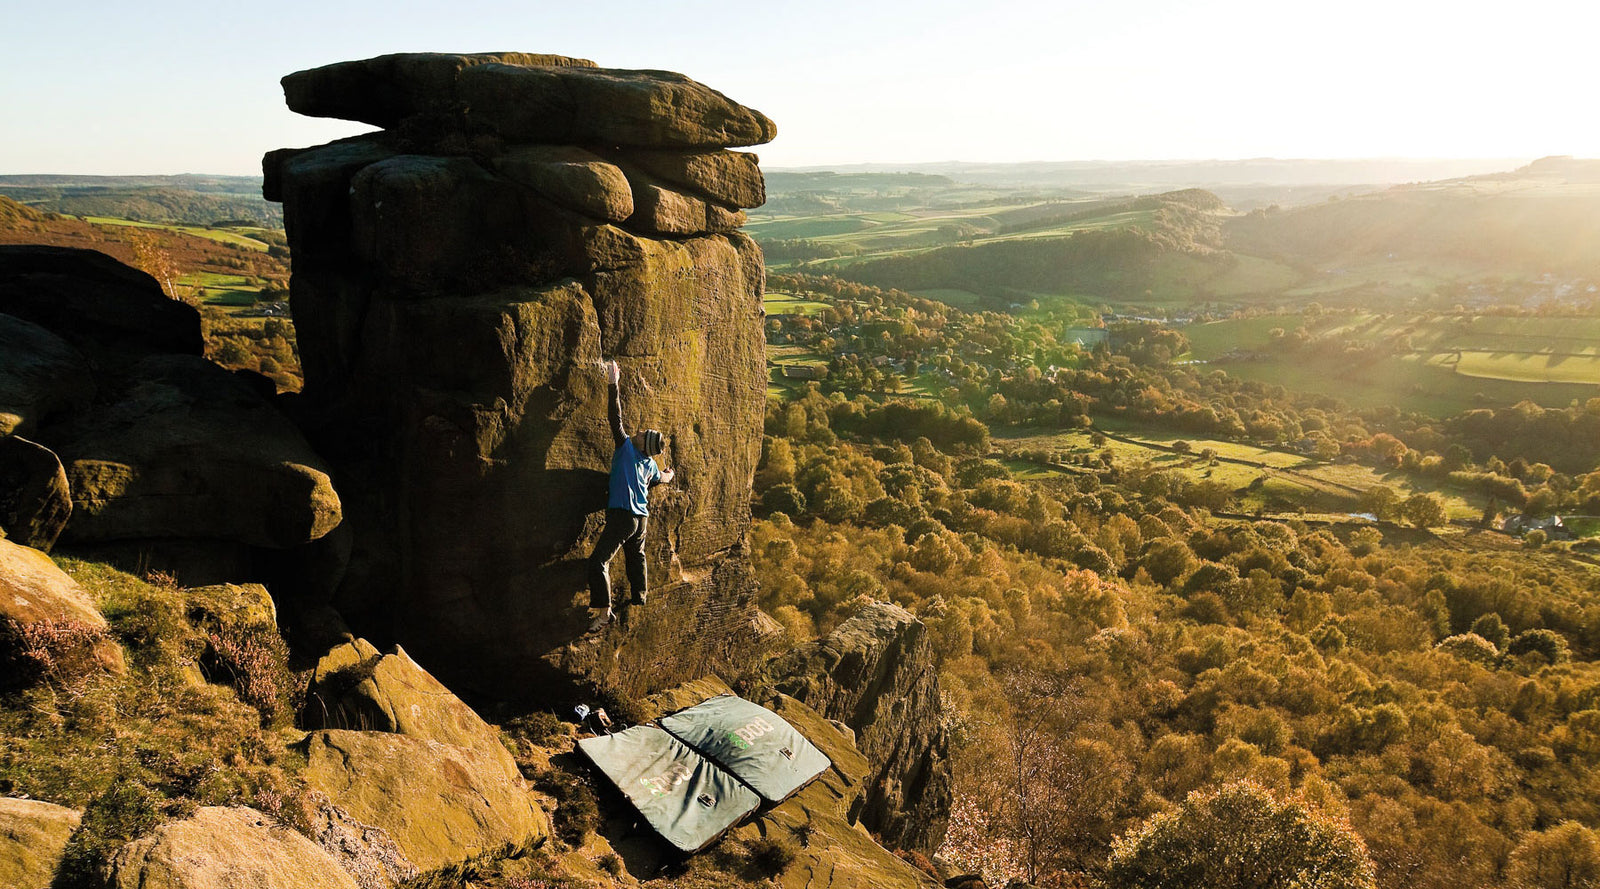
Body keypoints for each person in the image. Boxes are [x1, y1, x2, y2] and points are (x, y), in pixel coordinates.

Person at [587, 359, 674, 632]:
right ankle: (640, 594)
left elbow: (616, 417)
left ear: (641, 443)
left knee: (599, 561)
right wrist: (669, 474)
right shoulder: (649, 464)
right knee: (636, 555)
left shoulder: (626, 448)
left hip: (623, 516)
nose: (637, 432)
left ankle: (603, 612)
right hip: (641, 519)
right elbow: (662, 478)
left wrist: (613, 384)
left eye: (641, 434)